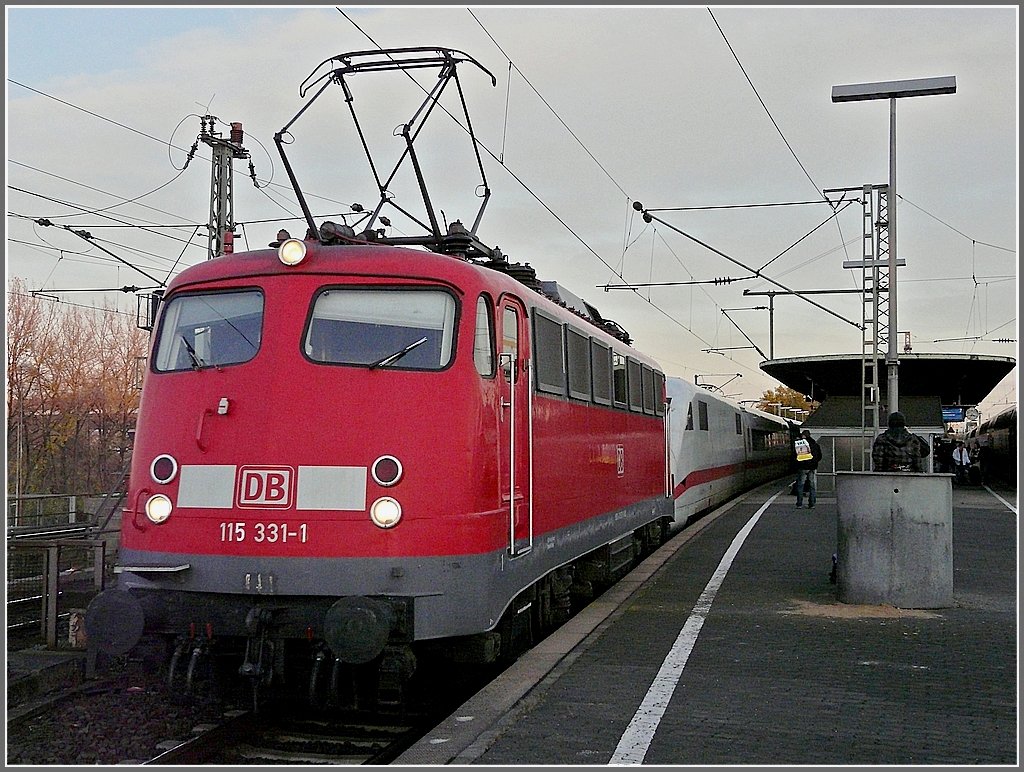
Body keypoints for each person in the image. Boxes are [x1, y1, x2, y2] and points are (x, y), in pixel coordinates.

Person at [793, 429, 822, 509]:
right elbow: (819, 456)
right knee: (812, 485)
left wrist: (798, 464)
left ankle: (799, 504)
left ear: (803, 435)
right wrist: (814, 462)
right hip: (812, 468)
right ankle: (812, 504)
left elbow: (796, 456)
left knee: (800, 485)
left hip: (803, 467)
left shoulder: (800, 444)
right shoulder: (815, 444)